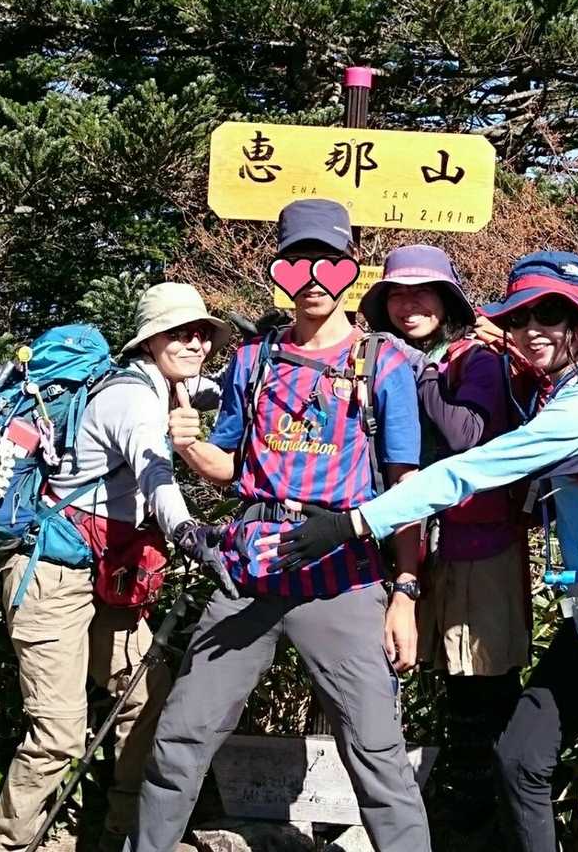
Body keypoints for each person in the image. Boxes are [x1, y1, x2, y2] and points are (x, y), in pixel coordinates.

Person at [278, 251, 578, 852]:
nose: (532, 329)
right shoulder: (559, 389)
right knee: (520, 758)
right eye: (520, 318)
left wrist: (356, 523)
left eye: (551, 315)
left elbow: (469, 470)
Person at [128, 199, 432, 852]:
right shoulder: (254, 359)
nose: (313, 278)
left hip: (343, 579)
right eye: (297, 263)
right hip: (249, 575)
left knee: (378, 756)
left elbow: (408, 490)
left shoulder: (384, 364)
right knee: (181, 738)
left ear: (351, 268)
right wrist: (188, 444)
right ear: (279, 271)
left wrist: (406, 593)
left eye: (329, 263)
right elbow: (229, 468)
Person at [0, 283, 239, 852]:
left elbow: (217, 389)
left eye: (202, 333)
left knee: (145, 700)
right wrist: (186, 530)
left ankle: (124, 836)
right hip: (51, 572)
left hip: (108, 570)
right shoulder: (132, 399)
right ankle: (11, 843)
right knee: (58, 734)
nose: (195, 343)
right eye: (180, 333)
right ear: (150, 341)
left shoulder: (167, 384)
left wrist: (268, 349)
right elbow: (155, 472)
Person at [356, 245, 527, 837]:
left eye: (423, 293)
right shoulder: (386, 360)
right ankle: (457, 810)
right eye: (397, 295)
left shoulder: (472, 360)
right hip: (427, 545)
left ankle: (489, 817)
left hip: (480, 545)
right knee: (444, 682)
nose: (408, 305)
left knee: (479, 682)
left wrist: (422, 372)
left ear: (448, 302)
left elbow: (467, 433)